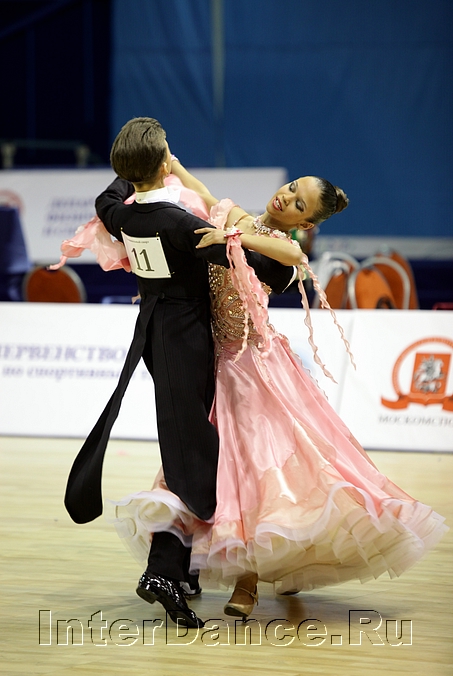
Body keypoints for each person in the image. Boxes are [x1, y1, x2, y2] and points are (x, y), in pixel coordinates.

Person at [110, 161, 448, 622]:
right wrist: (174, 165)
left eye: (298, 203)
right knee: (206, 465)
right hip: (211, 362)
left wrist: (231, 235)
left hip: (254, 368)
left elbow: (292, 256)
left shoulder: (280, 248)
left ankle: (248, 578)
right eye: (290, 188)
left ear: (304, 223)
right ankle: (179, 564)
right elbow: (204, 193)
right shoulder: (240, 219)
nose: (285, 197)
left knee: (256, 470)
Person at [62, 117, 298, 629]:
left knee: (191, 449)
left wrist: (136, 167)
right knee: (192, 455)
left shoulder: (120, 213)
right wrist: (281, 257)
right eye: (167, 151)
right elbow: (260, 266)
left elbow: (108, 194)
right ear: (163, 162)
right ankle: (165, 571)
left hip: (154, 334)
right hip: (186, 343)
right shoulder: (179, 223)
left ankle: (178, 565)